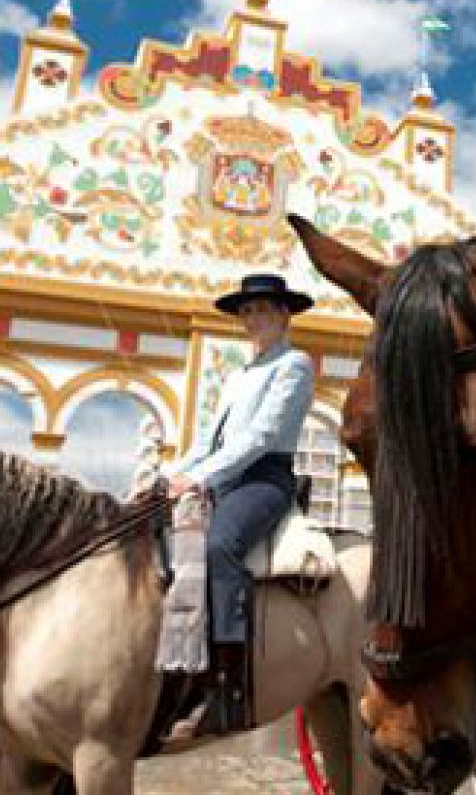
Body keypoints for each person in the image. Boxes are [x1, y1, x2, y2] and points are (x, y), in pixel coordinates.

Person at [161, 273, 316, 740]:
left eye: (264, 309)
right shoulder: (239, 375)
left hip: (264, 478)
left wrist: (202, 477)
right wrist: (167, 477)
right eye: (247, 312)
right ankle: (174, 666)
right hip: (223, 475)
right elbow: (208, 439)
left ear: (284, 314)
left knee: (218, 548)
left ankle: (228, 689)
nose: (254, 319)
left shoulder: (295, 365)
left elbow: (263, 435)